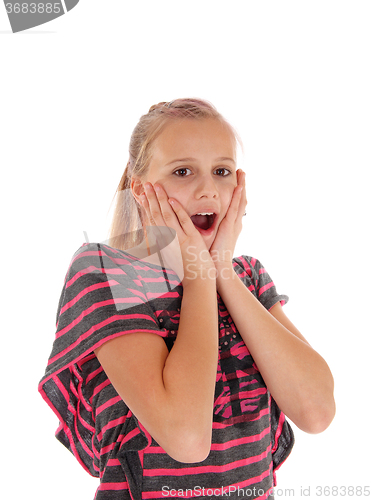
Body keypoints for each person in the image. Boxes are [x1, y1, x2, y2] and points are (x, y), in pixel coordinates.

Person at [38, 98, 335, 500]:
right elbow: (187, 437)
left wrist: (221, 271)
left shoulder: (247, 276)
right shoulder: (108, 271)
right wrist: (198, 276)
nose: (208, 189)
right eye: (182, 171)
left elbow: (316, 412)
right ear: (141, 190)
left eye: (222, 171)